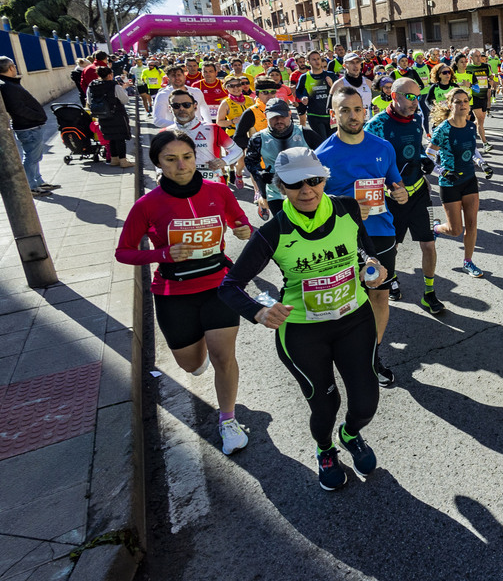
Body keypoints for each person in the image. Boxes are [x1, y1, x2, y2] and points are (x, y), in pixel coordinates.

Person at [218, 148, 388, 491]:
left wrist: (372, 267)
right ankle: (325, 450)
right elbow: (230, 286)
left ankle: (350, 435)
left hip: (354, 320)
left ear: (324, 179)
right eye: (296, 184)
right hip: (303, 334)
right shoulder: (273, 232)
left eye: (315, 180)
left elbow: (363, 248)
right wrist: (260, 311)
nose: (307, 190)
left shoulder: (346, 208)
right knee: (325, 405)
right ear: (281, 186)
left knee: (366, 402)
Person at [116, 130, 252, 455]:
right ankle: (198, 350)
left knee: (224, 356)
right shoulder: (147, 205)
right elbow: (124, 252)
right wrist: (162, 254)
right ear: (159, 164)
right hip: (174, 293)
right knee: (191, 364)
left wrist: (244, 229)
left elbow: (239, 220)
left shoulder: (218, 192)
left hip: (218, 285)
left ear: (196, 157)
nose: (182, 166)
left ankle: (228, 421)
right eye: (171, 160)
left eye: (187, 157)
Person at [316, 86, 409, 386]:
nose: (353, 115)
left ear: (365, 111)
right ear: (334, 114)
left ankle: (373, 356)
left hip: (380, 233)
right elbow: (313, 207)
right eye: (345, 110)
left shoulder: (382, 147)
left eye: (357, 109)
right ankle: (344, 356)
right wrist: (347, 210)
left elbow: (395, 183)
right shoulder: (322, 155)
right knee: (346, 302)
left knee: (379, 295)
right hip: (341, 238)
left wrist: (401, 193)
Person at [365, 78, 445, 315]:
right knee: (393, 247)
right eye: (409, 97)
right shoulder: (377, 125)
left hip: (418, 192)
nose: (415, 103)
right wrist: (388, 186)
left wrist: (425, 164)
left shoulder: (416, 118)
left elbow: (418, 149)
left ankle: (429, 292)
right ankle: (392, 278)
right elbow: (368, 164)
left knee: (429, 244)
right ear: (394, 96)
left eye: (418, 97)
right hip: (392, 199)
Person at [428, 87, 492, 277]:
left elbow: (472, 149)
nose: (463, 104)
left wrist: (482, 163)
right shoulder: (443, 129)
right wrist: (443, 172)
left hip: (469, 180)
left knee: (472, 224)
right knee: (455, 230)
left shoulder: (471, 125)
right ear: (450, 105)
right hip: (449, 184)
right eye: (458, 101)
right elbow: (428, 158)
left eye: (465, 101)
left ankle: (468, 262)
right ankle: (437, 228)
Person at [245, 98, 323, 220]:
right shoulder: (258, 139)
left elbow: (325, 158)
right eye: (274, 117)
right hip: (276, 193)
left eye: (282, 116)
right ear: (266, 116)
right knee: (286, 224)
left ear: (290, 114)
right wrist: (260, 174)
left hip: (305, 190)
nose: (279, 120)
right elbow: (250, 162)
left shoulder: (306, 134)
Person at [0, 56, 55, 197]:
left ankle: (38, 181)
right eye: (14, 66)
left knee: (35, 156)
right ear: (11, 68)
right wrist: (38, 116)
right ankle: (31, 186)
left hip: (30, 126)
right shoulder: (7, 85)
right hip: (28, 127)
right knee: (31, 158)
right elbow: (18, 108)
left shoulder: (8, 83)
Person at [86, 66, 135, 169]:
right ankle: (123, 161)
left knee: (110, 137)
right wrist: (123, 89)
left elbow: (89, 101)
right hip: (117, 114)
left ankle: (114, 159)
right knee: (120, 137)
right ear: (109, 75)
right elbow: (124, 100)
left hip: (102, 115)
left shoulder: (92, 85)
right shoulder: (114, 86)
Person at [294, 50, 338, 140]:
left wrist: (332, 84)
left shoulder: (330, 75)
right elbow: (298, 92)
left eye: (318, 59)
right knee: (322, 141)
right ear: (308, 62)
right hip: (314, 115)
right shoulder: (304, 77)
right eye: (313, 59)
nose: (317, 61)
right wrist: (302, 98)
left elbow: (341, 91)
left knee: (333, 140)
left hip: (331, 115)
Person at [153, 63, 210, 128]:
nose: (177, 78)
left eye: (179, 75)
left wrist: (209, 127)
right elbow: (157, 120)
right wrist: (182, 126)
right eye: (173, 76)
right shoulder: (163, 95)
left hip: (198, 132)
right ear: (168, 79)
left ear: (184, 76)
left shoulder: (196, 92)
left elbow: (205, 110)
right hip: (175, 133)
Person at [329, 52, 373, 118]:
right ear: (344, 65)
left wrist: (373, 107)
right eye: (352, 63)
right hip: (349, 125)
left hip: (367, 123)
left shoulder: (368, 82)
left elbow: (367, 102)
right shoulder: (338, 84)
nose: (355, 65)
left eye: (357, 62)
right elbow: (330, 108)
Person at [466, 48, 493, 149]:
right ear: (471, 57)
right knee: (480, 119)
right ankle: (485, 143)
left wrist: (491, 80)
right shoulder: (468, 68)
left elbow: (490, 77)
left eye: (480, 56)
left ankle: (468, 129)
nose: (479, 58)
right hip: (474, 97)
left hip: (484, 96)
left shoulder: (486, 66)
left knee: (480, 121)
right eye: (476, 56)